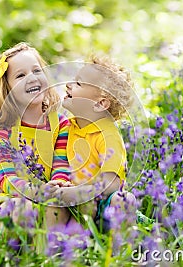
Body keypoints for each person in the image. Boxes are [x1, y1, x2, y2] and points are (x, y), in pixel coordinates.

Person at [0, 42, 71, 228]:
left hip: (46, 193)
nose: (31, 78)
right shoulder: (1, 131)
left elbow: (62, 163)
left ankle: (47, 254)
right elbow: (6, 176)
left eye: (36, 71)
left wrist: (58, 183)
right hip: (7, 199)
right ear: (7, 90)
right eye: (20, 75)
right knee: (23, 208)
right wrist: (35, 192)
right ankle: (15, 253)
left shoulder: (60, 125)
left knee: (58, 208)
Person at [54, 55, 137, 232]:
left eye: (78, 83)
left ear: (100, 104)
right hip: (72, 203)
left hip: (102, 204)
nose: (69, 85)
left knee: (124, 200)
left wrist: (79, 193)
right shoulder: (68, 127)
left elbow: (111, 183)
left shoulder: (108, 135)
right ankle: (59, 249)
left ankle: (120, 249)